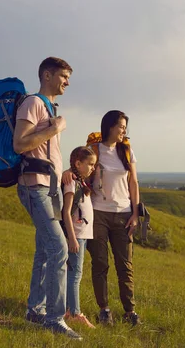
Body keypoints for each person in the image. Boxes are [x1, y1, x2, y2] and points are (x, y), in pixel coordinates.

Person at [13, 57, 82, 340]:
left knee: (44, 251)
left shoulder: (48, 107)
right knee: (59, 248)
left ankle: (35, 310)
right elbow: (20, 144)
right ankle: (54, 319)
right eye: (63, 76)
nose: (67, 82)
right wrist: (56, 128)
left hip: (47, 187)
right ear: (47, 75)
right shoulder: (33, 103)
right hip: (34, 187)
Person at [63, 110, 141, 326]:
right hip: (98, 214)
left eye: (125, 127)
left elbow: (133, 182)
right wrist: (66, 173)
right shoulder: (95, 149)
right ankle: (104, 310)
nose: (124, 131)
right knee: (99, 263)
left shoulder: (126, 151)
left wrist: (135, 213)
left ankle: (130, 311)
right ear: (109, 126)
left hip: (124, 213)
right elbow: (80, 165)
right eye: (121, 126)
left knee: (125, 265)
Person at [62, 146, 96, 328]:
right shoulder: (71, 182)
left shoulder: (81, 182)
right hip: (76, 236)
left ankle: (69, 310)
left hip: (82, 235)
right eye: (90, 164)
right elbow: (66, 212)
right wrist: (72, 237)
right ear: (78, 163)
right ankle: (74, 313)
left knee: (74, 273)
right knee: (75, 274)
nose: (92, 168)